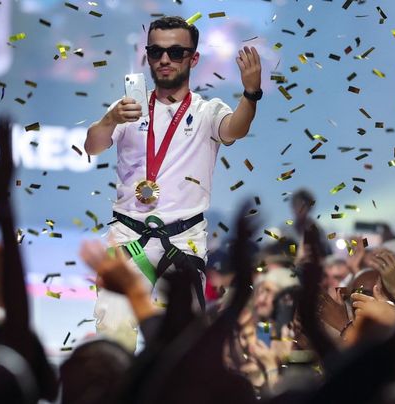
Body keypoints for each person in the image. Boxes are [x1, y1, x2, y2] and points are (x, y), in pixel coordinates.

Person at [84, 15, 262, 346]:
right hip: (127, 238)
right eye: (156, 52)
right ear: (148, 56)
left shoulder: (209, 111)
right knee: (113, 335)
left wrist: (251, 93)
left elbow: (236, 128)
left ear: (193, 58)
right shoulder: (126, 109)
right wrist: (109, 118)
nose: (165, 60)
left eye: (176, 52)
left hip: (183, 241)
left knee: (183, 346)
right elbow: (92, 146)